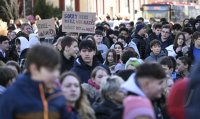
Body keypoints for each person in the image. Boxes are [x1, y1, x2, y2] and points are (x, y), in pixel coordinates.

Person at [0, 44, 71, 119]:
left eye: (57, 69)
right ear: (34, 69)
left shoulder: (59, 95)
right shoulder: (11, 97)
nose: (56, 75)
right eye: (50, 70)